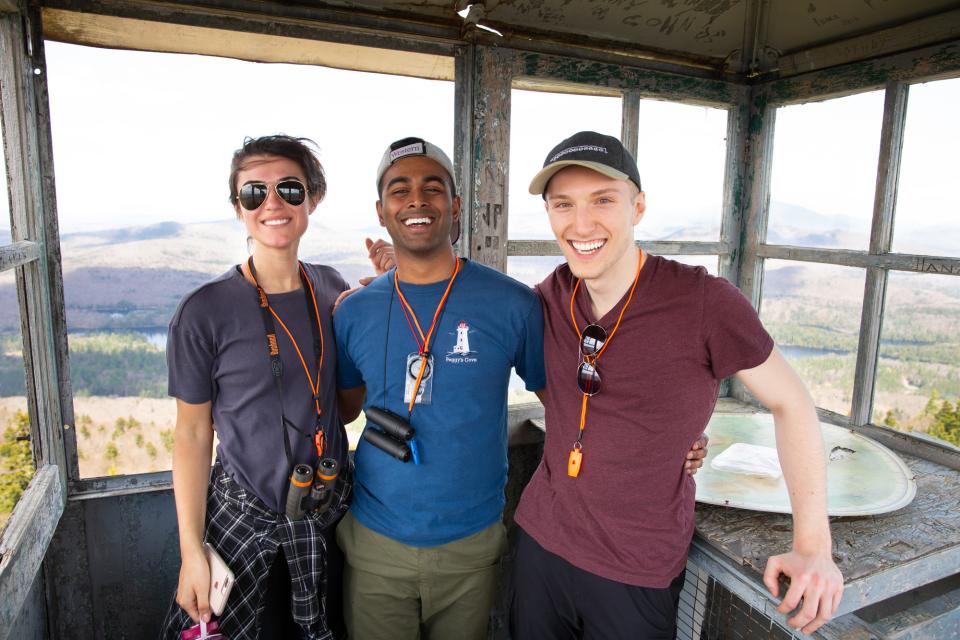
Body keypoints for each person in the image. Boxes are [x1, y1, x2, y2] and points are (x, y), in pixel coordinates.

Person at [332, 136, 708, 640]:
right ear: (382, 211)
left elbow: (572, 405)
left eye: (433, 187)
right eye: (400, 190)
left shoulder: (513, 304)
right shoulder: (354, 311)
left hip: (472, 545)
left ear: (456, 204)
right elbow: (343, 409)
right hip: (374, 542)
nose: (417, 200)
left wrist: (667, 440)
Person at [509, 131, 845, 639]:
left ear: (637, 206)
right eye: (563, 205)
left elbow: (792, 402)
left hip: (636, 565)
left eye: (603, 200)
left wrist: (814, 548)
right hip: (541, 545)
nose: (581, 224)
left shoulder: (704, 301)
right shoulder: (547, 298)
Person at [159, 135, 385, 640]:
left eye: (288, 187)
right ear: (238, 208)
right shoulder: (205, 312)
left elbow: (345, 409)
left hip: (325, 520)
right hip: (242, 522)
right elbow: (193, 437)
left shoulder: (333, 290)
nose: (273, 203)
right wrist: (191, 551)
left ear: (313, 197)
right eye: (254, 193)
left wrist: (387, 302)